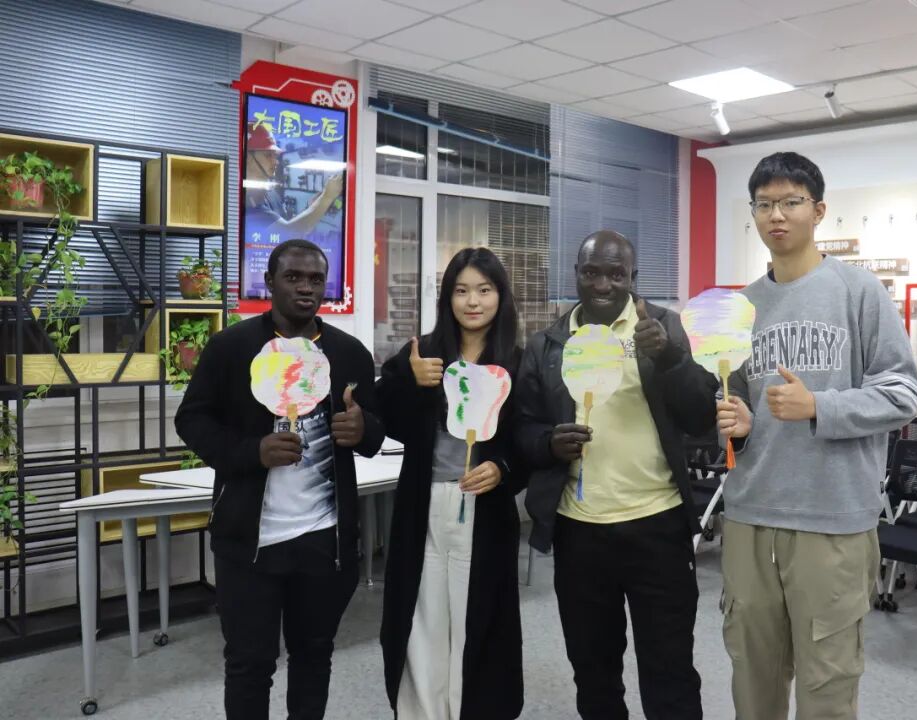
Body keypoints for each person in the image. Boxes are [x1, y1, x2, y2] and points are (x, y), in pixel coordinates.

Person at [715, 152, 917, 720]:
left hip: (832, 520)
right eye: (764, 204)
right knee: (751, 674)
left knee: (827, 683)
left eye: (790, 202)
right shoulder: (741, 308)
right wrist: (738, 426)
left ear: (819, 210)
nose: (776, 215)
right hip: (750, 515)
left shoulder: (859, 291)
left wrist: (819, 407)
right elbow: (733, 408)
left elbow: (903, 392)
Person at [175, 238, 385, 720]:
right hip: (249, 543)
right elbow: (192, 420)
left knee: (314, 656)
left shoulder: (349, 353)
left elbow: (374, 430)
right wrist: (251, 452)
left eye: (316, 279)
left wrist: (363, 429)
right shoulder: (232, 348)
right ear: (269, 282)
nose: (306, 288)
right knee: (249, 664)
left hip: (324, 541)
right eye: (293, 277)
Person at [515, 230, 717, 720]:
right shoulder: (548, 343)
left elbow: (700, 418)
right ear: (576, 275)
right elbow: (522, 426)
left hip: (658, 525)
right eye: (591, 272)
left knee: (670, 670)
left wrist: (670, 357)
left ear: (633, 278)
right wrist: (547, 442)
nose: (602, 285)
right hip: (580, 530)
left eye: (615, 274)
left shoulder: (663, 328)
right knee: (593, 670)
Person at [377, 247, 524, 720]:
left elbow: (528, 439)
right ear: (447, 298)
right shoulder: (423, 353)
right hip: (424, 503)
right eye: (461, 291)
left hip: (484, 505)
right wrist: (410, 381)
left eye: (484, 290)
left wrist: (502, 468)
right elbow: (382, 417)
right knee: (422, 614)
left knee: (476, 615)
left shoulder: (516, 361)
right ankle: (422, 711)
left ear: (500, 295)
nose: (473, 301)